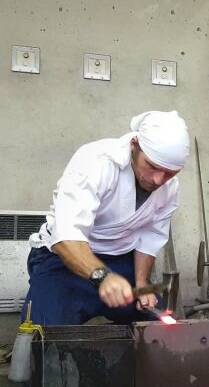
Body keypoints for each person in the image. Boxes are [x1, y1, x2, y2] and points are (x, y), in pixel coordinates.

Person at [22, 110, 189, 325]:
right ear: (135, 144)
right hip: (63, 259)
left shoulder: (169, 188)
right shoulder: (96, 161)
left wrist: (141, 285)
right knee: (43, 332)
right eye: (152, 166)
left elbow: (150, 236)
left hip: (120, 261)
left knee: (158, 325)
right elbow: (66, 236)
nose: (159, 180)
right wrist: (102, 277)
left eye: (170, 173)